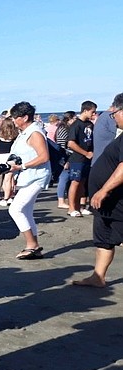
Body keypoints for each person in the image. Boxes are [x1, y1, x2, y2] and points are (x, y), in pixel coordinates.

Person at [72, 94, 123, 288]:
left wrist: (103, 190)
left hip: (115, 198)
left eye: (114, 114)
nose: (113, 118)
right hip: (105, 202)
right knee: (103, 239)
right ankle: (98, 277)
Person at [5, 101, 51, 259]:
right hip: (28, 177)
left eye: (15, 117)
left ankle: (32, 244)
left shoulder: (35, 133)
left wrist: (21, 166)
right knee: (26, 211)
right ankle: (35, 248)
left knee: (15, 209)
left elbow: (44, 157)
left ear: (24, 118)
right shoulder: (24, 133)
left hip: (37, 177)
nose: (13, 120)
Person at [66, 100, 97, 217]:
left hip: (88, 159)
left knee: (83, 182)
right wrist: (85, 153)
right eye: (92, 112)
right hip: (77, 158)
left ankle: (81, 206)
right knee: (75, 182)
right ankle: (71, 208)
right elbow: (71, 143)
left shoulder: (90, 125)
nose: (94, 114)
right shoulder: (76, 125)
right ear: (85, 110)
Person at [0, 117, 18, 206]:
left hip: (0, 158)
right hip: (10, 159)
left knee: (4, 179)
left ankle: (5, 198)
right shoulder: (15, 137)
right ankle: (11, 196)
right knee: (11, 179)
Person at [55, 111, 77, 209]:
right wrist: (66, 159)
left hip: (66, 155)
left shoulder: (65, 128)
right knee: (64, 178)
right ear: (70, 119)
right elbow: (61, 146)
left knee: (66, 178)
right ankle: (61, 200)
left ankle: (65, 199)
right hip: (64, 156)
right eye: (74, 118)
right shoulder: (63, 129)